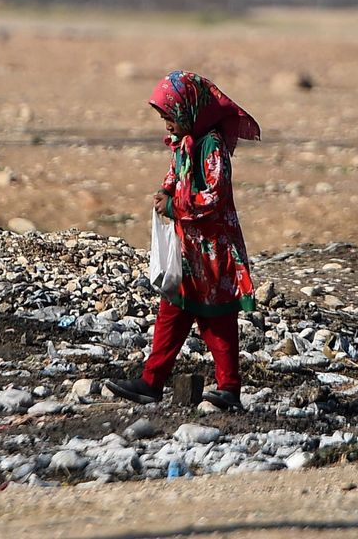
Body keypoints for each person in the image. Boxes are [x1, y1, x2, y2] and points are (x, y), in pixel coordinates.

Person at [105, 70, 260, 410]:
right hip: (189, 248)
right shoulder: (186, 142)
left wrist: (175, 206)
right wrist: (166, 189)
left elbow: (214, 196)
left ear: (189, 110)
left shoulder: (211, 146)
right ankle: (152, 381)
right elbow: (176, 172)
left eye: (169, 117)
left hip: (211, 250)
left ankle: (229, 388)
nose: (167, 125)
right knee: (172, 311)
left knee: (216, 316)